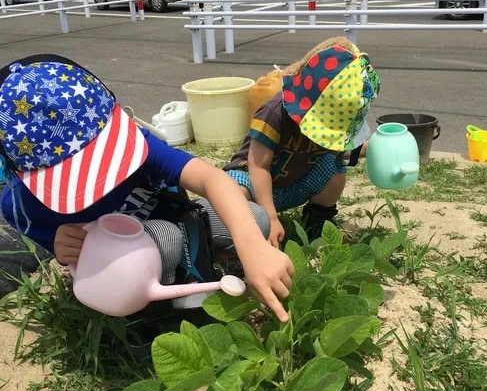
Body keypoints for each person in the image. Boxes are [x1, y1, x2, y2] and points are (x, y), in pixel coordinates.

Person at [0, 55, 293, 323]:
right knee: (166, 240)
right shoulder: (23, 204)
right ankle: (153, 310)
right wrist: (61, 245)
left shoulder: (138, 144)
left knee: (253, 219)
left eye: (105, 157)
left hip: (175, 218)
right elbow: (66, 251)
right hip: (127, 255)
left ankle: (191, 269)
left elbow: (211, 179)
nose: (101, 176)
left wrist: (252, 246)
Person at [225, 37, 380, 246]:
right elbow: (257, 165)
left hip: (291, 186)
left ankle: (316, 225)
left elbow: (336, 150)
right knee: (235, 192)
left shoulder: (330, 121)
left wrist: (373, 148)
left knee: (334, 168)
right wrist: (270, 218)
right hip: (253, 183)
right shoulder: (275, 113)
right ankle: (247, 236)